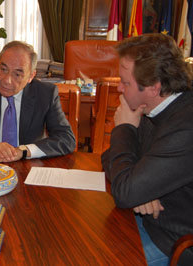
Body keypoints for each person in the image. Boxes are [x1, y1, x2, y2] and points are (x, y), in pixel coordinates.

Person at [101, 33, 193, 265]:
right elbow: (109, 159)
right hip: (144, 220)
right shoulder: (154, 106)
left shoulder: (186, 126)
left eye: (126, 82)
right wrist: (138, 190)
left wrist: (123, 128)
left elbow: (124, 192)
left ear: (153, 87)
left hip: (173, 242)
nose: (119, 88)